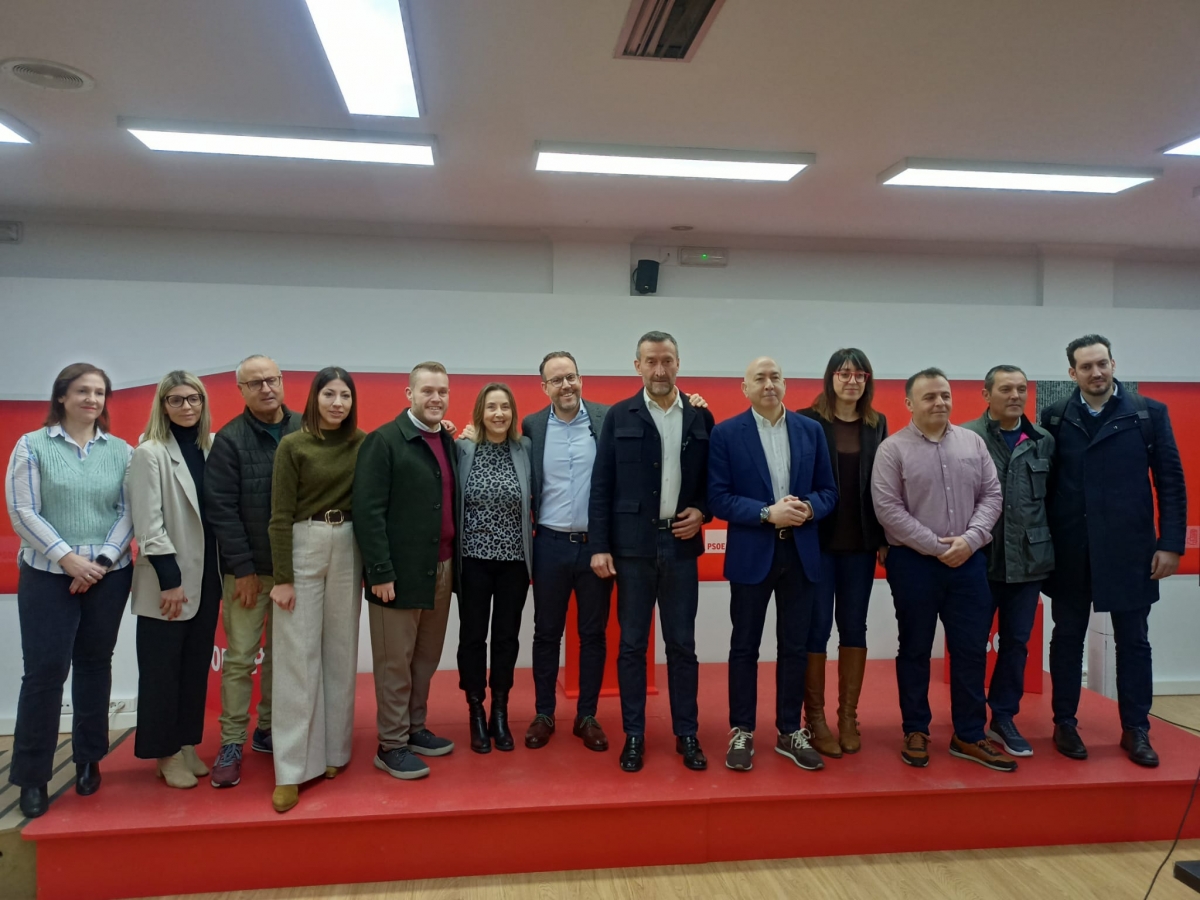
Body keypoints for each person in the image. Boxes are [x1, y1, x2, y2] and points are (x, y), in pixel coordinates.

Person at [1040, 335, 1186, 767]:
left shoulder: (1147, 413)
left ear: (1113, 363)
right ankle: (1064, 722)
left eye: (1102, 363)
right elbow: (1043, 487)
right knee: (1066, 638)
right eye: (1086, 367)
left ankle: (1136, 728)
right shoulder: (1054, 416)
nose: (1096, 372)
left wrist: (1171, 544)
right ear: (1072, 373)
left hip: (1131, 550)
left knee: (1134, 642)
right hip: (1070, 549)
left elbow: (1171, 483)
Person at [5, 363, 134, 819]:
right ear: (62, 396)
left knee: (95, 667)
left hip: (108, 575)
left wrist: (97, 564)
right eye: (82, 391)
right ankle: (32, 777)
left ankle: (88, 759)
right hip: (46, 575)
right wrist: (67, 558)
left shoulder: (121, 451)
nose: (92, 399)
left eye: (99, 392)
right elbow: (23, 512)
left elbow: (128, 513)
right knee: (44, 674)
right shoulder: (32, 446)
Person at [872, 367, 1014, 771]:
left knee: (970, 650)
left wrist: (969, 541)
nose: (940, 403)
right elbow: (888, 511)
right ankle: (916, 729)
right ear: (909, 403)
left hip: (968, 563)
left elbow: (992, 495)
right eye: (930, 396)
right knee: (915, 648)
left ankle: (969, 734)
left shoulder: (973, 443)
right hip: (914, 564)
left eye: (945, 395)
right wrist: (937, 547)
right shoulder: (892, 450)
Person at [589, 331, 715, 773]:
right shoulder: (619, 415)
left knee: (683, 644)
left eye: (667, 361)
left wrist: (703, 511)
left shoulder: (700, 417)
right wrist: (600, 545)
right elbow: (601, 485)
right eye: (651, 362)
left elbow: (711, 483)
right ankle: (635, 735)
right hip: (631, 549)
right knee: (632, 645)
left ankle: (687, 733)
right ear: (637, 365)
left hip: (681, 545)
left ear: (678, 363)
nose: (660, 370)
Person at [709, 357, 838, 773]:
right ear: (744, 387)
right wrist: (767, 513)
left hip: (801, 552)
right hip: (752, 552)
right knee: (744, 646)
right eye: (760, 379)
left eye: (775, 377)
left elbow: (828, 492)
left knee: (795, 645)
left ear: (786, 384)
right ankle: (742, 729)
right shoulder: (727, 434)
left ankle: (788, 729)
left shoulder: (810, 430)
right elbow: (719, 498)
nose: (769, 384)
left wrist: (807, 508)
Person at [265, 368, 366, 813]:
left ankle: (334, 753)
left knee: (341, 652)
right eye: (330, 394)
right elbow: (279, 515)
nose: (337, 403)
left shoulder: (362, 444)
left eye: (345, 395)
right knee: (297, 658)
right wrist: (282, 578)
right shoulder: (293, 445)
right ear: (315, 398)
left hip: (349, 543)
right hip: (303, 544)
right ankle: (291, 769)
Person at [353, 361, 459, 782]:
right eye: (428, 391)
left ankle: (415, 729)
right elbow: (368, 510)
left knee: (424, 660)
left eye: (442, 392)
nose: (436, 398)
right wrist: (379, 572)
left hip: (441, 569)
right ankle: (391, 745)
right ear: (409, 394)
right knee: (394, 664)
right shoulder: (383, 441)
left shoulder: (445, 439)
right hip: (395, 575)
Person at [206, 355, 302, 787]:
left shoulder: (307, 428)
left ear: (282, 383)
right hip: (249, 573)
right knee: (242, 660)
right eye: (255, 383)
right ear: (241, 390)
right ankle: (231, 743)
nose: (266, 388)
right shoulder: (229, 440)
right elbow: (222, 512)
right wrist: (242, 568)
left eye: (272, 380)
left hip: (296, 571)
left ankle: (268, 730)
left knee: (285, 660)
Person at [127, 371, 222, 789]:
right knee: (162, 671)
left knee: (193, 668)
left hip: (208, 577)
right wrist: (170, 580)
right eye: (177, 400)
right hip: (169, 581)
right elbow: (148, 526)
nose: (187, 407)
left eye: (194, 399)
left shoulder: (211, 446)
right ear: (162, 405)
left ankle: (184, 742)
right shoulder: (149, 453)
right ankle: (164, 753)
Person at [798, 348, 888, 758]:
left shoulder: (876, 423)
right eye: (843, 373)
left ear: (867, 380)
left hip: (861, 544)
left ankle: (847, 716)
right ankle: (813, 719)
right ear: (830, 377)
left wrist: (886, 536)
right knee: (815, 630)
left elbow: (884, 485)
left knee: (855, 628)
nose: (851, 381)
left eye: (859, 374)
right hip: (817, 542)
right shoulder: (807, 420)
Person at [962, 365, 1055, 758]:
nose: (1016, 395)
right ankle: (967, 722)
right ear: (987, 394)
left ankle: (1003, 716)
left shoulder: (1043, 441)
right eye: (1006, 389)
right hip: (978, 559)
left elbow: (1053, 500)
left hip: (1028, 560)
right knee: (969, 645)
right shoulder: (966, 437)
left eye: (1021, 389)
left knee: (1016, 643)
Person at [523, 352, 613, 751]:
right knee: (546, 633)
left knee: (592, 634)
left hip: (596, 548)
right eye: (556, 380)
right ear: (544, 387)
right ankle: (544, 712)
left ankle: (587, 715)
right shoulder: (532, 426)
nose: (566, 386)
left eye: (571, 377)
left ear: (581, 379)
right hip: (550, 545)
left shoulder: (606, 418)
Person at [455, 383, 533, 753]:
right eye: (491, 408)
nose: (499, 414)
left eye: (504, 407)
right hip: (473, 561)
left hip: (514, 563)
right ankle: (475, 709)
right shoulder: (463, 448)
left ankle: (499, 711)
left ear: (513, 412)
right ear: (480, 413)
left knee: (506, 638)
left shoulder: (526, 449)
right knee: (472, 637)